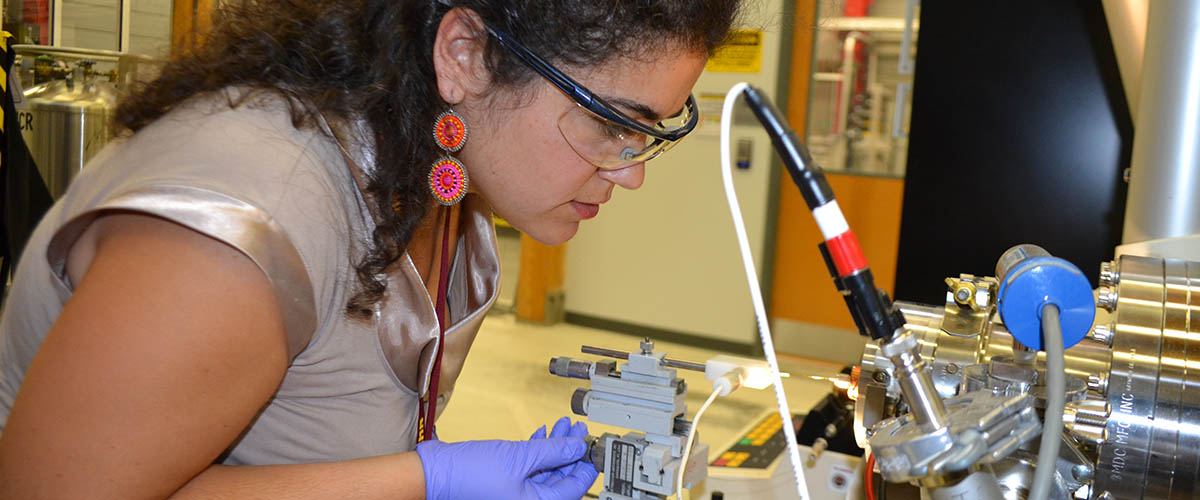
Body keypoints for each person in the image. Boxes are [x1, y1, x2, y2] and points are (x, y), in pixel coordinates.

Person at [0, 0, 739, 498]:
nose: (631, 169)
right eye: (611, 121)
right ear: (466, 54)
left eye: (650, 133)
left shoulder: (443, 192)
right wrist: (425, 478)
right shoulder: (247, 225)